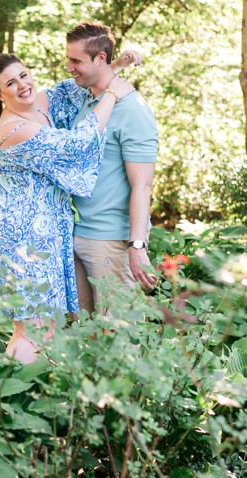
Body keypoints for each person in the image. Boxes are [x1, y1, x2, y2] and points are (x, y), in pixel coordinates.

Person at [0, 52, 134, 363]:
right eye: (11, 83)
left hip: (42, 232)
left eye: (24, 75)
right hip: (20, 238)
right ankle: (8, 399)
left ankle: (25, 394)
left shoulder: (40, 104)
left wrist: (115, 67)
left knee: (47, 327)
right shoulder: (14, 128)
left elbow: (74, 87)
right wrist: (113, 94)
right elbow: (76, 146)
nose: (22, 85)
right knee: (34, 330)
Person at [46, 21, 160, 314]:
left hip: (111, 241)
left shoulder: (133, 110)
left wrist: (137, 246)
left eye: (76, 61)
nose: (69, 68)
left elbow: (142, 185)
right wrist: (119, 65)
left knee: (118, 341)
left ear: (100, 59)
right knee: (83, 335)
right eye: (68, 59)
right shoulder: (88, 99)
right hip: (78, 234)